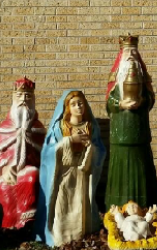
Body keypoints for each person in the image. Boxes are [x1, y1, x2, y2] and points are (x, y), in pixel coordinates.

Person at [35, 90, 106, 246]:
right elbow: (48, 151)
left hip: (84, 173)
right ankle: (62, 236)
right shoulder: (60, 128)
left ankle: (83, 235)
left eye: (80, 103)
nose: (78, 106)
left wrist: (90, 148)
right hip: (64, 174)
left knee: (83, 204)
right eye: (73, 104)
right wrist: (69, 141)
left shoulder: (91, 127)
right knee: (63, 204)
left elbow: (100, 149)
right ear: (67, 107)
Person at [105, 35, 157, 208]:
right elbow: (108, 102)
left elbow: (151, 98)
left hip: (139, 133)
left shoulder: (144, 81)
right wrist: (119, 103)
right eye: (127, 52)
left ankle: (145, 206)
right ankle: (117, 205)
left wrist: (142, 101)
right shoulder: (116, 81)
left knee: (141, 168)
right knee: (121, 170)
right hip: (120, 134)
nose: (130, 55)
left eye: (133, 52)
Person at [0, 77, 46, 229]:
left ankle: (26, 222)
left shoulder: (38, 128)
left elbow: (45, 156)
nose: (24, 100)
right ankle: (8, 223)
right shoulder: (5, 127)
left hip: (31, 174)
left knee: (32, 176)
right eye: (20, 96)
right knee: (4, 189)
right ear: (14, 98)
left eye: (28, 96)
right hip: (8, 174)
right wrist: (4, 167)